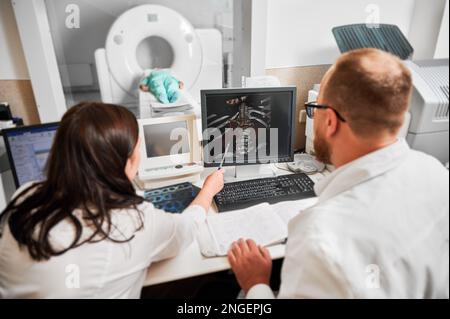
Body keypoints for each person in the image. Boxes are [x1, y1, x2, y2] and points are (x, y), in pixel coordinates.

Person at [228, 48, 449, 298]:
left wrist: (256, 283)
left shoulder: (318, 240)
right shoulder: (437, 174)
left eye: (315, 107)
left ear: (330, 121)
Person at [0, 102, 224, 298]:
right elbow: (185, 229)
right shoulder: (134, 223)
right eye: (136, 150)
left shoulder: (26, 196)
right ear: (125, 162)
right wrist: (208, 190)